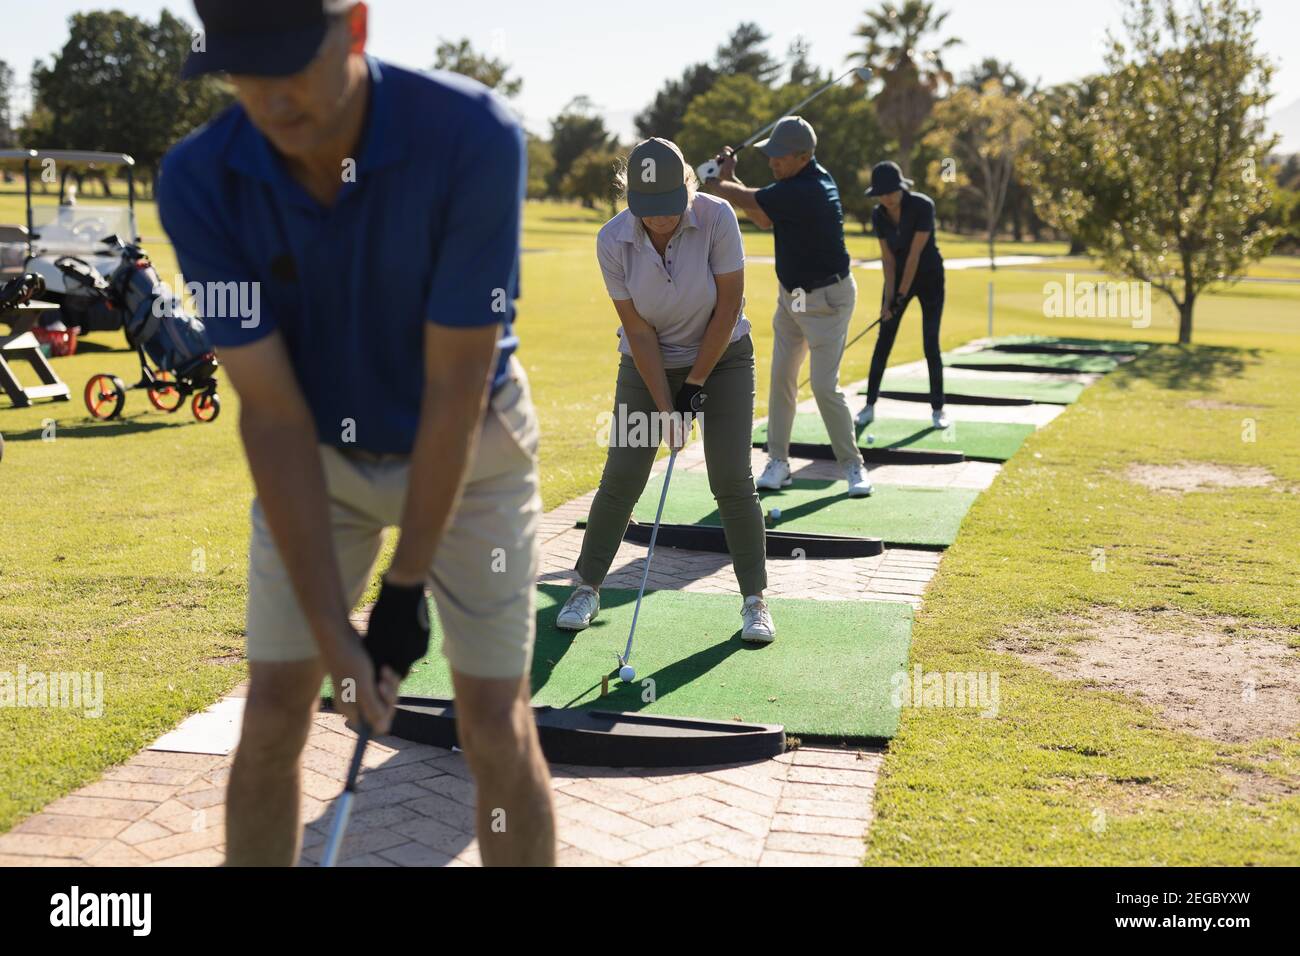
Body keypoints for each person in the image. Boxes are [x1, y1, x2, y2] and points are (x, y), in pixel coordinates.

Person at [158, 0, 555, 866]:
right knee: (271, 716)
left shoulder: (471, 135)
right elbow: (270, 411)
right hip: (318, 457)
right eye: (242, 67)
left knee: (491, 721)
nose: (270, 95)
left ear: (358, 29)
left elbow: (455, 384)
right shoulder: (197, 178)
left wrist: (404, 592)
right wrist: (336, 635)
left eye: (292, 58)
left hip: (470, 446)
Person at [555, 138, 776, 644]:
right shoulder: (612, 240)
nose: (660, 220)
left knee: (731, 478)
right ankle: (585, 587)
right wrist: (665, 408)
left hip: (723, 361)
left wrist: (693, 386)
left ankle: (755, 600)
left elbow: (729, 307)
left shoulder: (719, 218)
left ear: (688, 189)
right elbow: (638, 331)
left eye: (669, 208)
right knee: (622, 476)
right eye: (648, 211)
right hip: (646, 366)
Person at [703, 115, 872, 498]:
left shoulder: (811, 188)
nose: (773, 162)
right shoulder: (791, 185)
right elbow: (762, 216)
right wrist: (731, 181)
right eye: (771, 155)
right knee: (781, 379)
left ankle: (852, 466)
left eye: (780, 157)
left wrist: (719, 182)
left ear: (803, 156)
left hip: (828, 301)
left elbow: (748, 201)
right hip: (791, 297)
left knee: (825, 387)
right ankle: (778, 462)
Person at [858, 160, 950, 429]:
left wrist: (899, 296)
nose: (887, 197)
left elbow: (914, 255)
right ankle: (869, 405)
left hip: (930, 278)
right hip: (897, 279)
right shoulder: (879, 214)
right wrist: (889, 301)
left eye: (891, 191)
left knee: (930, 343)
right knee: (883, 340)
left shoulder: (923, 206)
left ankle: (937, 409)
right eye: (881, 193)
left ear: (900, 188)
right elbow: (888, 259)